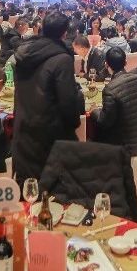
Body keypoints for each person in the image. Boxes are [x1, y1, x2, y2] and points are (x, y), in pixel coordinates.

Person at [11, 12, 84, 182]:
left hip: (23, 129)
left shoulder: (24, 53)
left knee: (28, 187)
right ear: (64, 33)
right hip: (49, 135)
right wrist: (75, 123)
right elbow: (67, 102)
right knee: (52, 189)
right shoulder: (61, 59)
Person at [92, 47, 137, 157]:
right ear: (125, 62)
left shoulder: (110, 89)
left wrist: (94, 110)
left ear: (106, 65)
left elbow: (104, 122)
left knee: (97, 133)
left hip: (126, 149)